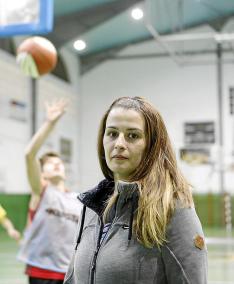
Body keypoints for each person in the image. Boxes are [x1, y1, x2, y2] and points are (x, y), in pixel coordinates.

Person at [64, 96, 208, 284]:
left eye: (133, 135)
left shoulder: (172, 208)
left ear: (152, 145)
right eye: (112, 133)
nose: (119, 143)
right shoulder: (90, 206)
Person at [18, 99, 82, 284]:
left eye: (59, 162)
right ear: (42, 173)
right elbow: (29, 154)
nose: (56, 164)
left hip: (71, 272)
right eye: (49, 163)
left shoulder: (77, 199)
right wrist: (50, 123)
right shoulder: (41, 192)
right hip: (42, 273)